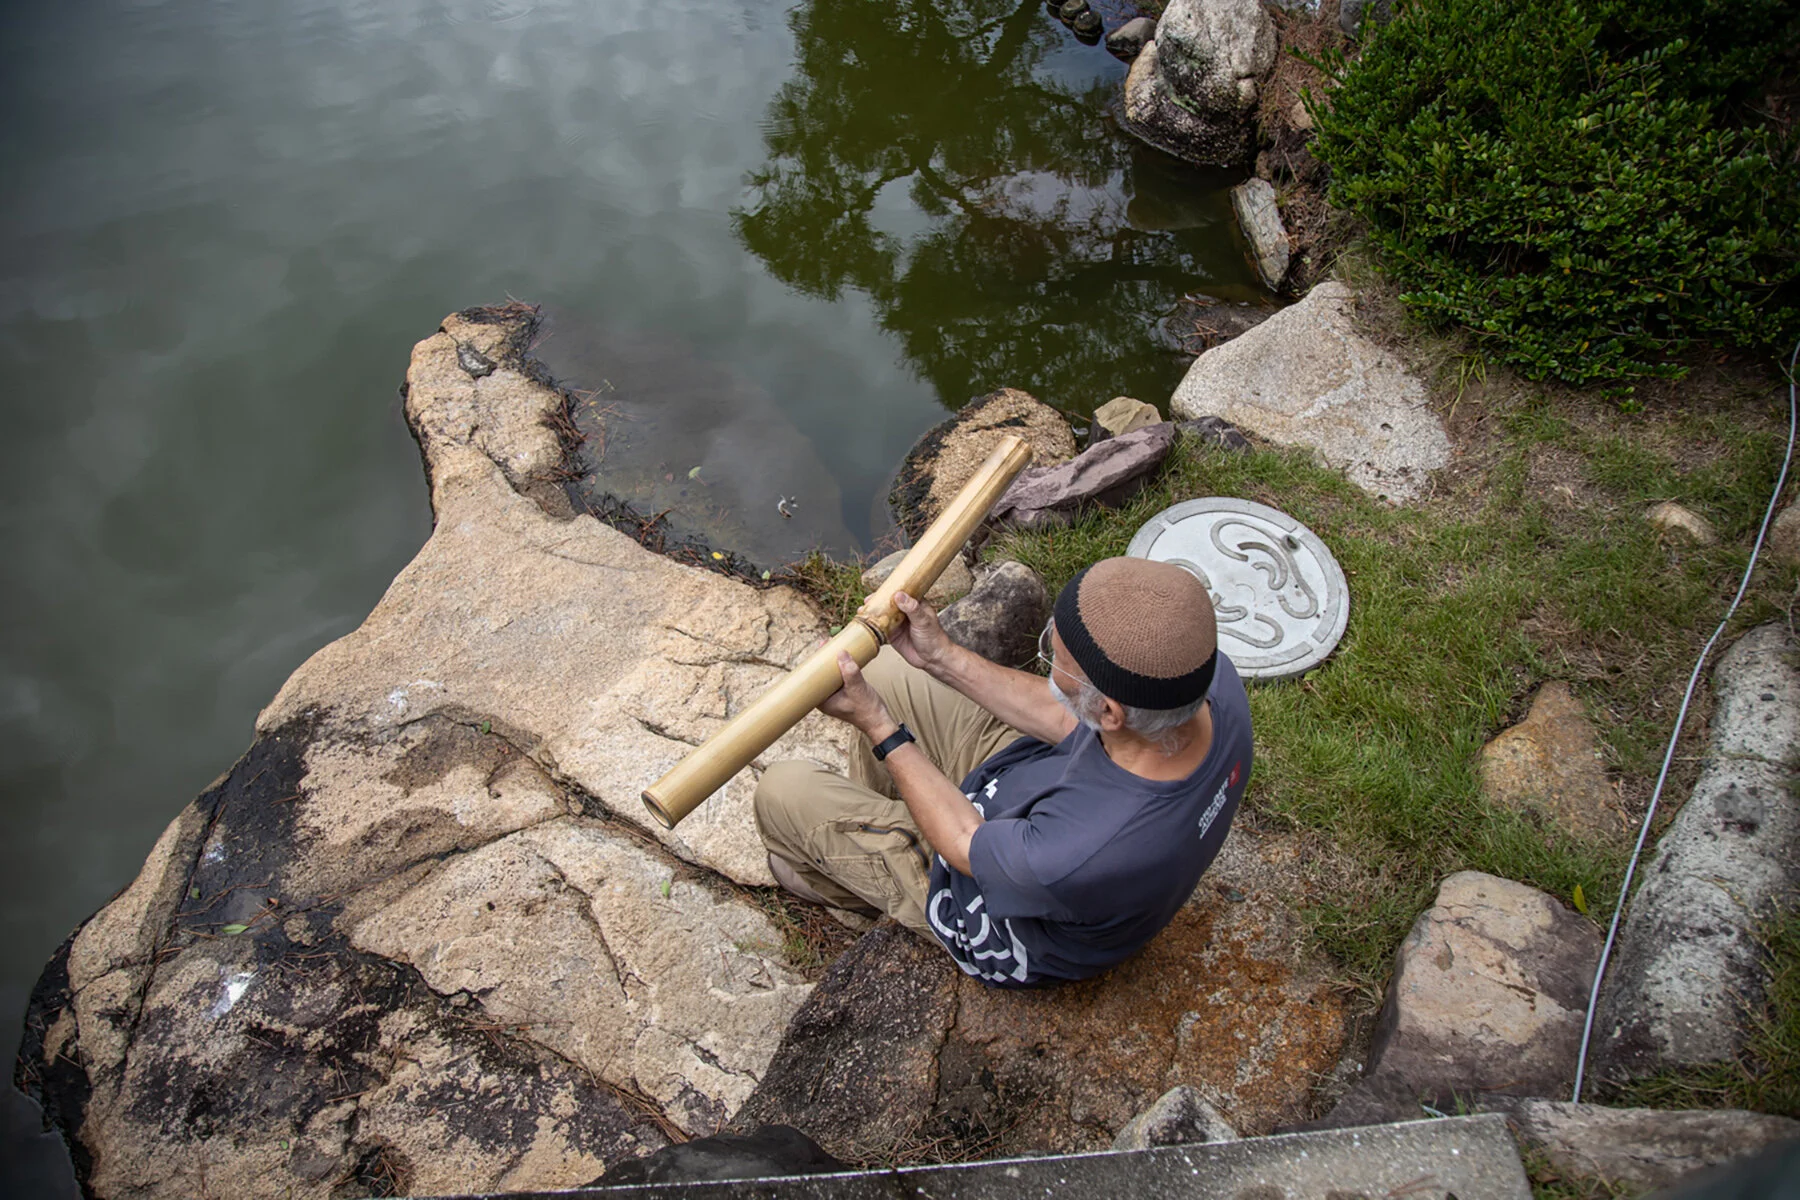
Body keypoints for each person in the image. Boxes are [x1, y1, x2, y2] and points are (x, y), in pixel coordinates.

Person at [754, 555, 1252, 987]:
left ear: (1110, 714)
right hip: (1026, 792)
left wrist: (878, 724)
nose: (1050, 663)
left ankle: (849, 886)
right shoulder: (1204, 682)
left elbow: (965, 843)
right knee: (884, 671)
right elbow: (1065, 718)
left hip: (994, 907)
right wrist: (941, 657)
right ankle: (886, 818)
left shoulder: (1081, 853)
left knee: (781, 791)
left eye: (1055, 660)